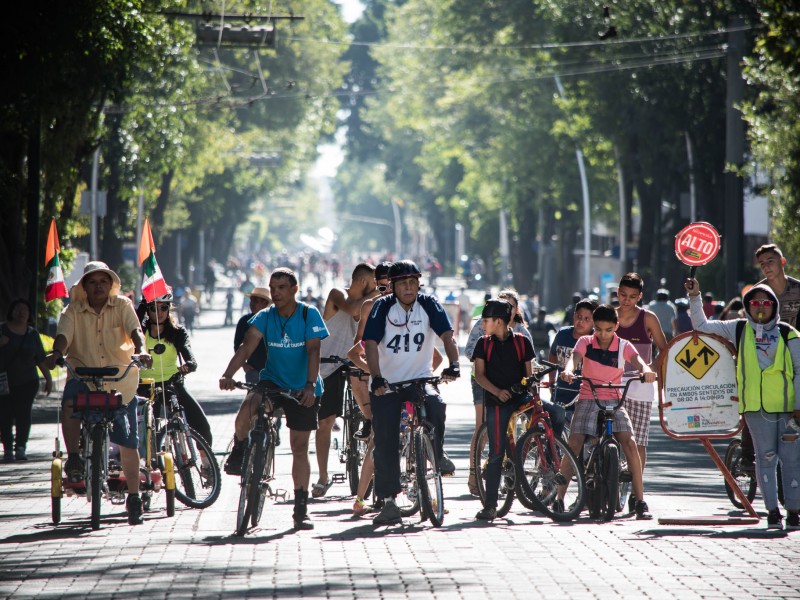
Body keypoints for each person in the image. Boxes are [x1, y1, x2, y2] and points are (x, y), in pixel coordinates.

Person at [685, 276, 800, 530]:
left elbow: (799, 369)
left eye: (766, 302)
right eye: (755, 302)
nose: (761, 307)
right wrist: (695, 296)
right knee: (766, 459)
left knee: (792, 460)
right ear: (748, 306)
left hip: (789, 411)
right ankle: (773, 512)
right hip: (756, 410)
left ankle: (794, 511)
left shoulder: (788, 333)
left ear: (774, 305)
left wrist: (799, 405)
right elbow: (702, 324)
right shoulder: (739, 328)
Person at [42, 261, 152, 525]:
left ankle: (134, 496)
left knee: (127, 439)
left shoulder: (123, 306)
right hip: (83, 376)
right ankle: (75, 458)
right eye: (92, 281)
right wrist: (57, 353)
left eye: (103, 281)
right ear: (84, 286)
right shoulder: (73, 310)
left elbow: (135, 332)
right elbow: (63, 336)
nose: (99, 286)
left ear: (111, 284)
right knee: (69, 403)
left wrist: (141, 350)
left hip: (119, 381)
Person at [219, 267, 328, 530]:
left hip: (304, 387)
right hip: (273, 381)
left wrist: (310, 386)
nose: (275, 293)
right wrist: (228, 374)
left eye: (281, 287)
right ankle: (241, 448)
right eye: (272, 288)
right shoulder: (265, 317)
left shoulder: (308, 314)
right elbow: (247, 346)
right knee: (247, 410)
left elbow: (314, 351)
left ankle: (301, 509)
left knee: (299, 448)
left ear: (294, 290)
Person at [363, 260, 461, 526]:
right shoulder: (381, 307)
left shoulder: (429, 304)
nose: (408, 287)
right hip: (388, 383)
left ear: (419, 283)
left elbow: (447, 337)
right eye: (402, 283)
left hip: (420, 379)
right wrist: (376, 377)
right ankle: (389, 502)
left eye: (413, 282)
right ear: (392, 286)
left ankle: (437, 453)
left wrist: (454, 364)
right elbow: (370, 343)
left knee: (437, 404)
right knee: (385, 441)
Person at [557, 304, 655, 520]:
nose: (603, 334)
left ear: (616, 327)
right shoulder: (585, 342)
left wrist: (646, 370)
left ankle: (640, 502)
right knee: (574, 442)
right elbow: (574, 359)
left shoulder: (624, 346)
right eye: (599, 329)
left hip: (614, 400)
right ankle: (559, 498)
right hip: (588, 397)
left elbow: (639, 362)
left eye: (608, 330)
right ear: (594, 327)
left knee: (630, 443)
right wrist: (568, 370)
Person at [312, 263, 378, 499]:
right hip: (328, 364)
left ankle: (368, 426)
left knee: (373, 401)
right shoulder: (337, 294)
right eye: (373, 284)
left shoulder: (370, 304)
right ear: (362, 282)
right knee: (326, 421)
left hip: (353, 362)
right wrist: (376, 292)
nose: (377, 289)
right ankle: (322, 476)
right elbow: (352, 309)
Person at [471, 299, 540, 521]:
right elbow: (479, 375)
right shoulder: (483, 344)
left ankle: (543, 457)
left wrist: (530, 389)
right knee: (496, 454)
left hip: (521, 398)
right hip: (496, 402)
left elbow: (529, 375)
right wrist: (498, 392)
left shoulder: (522, 342)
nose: (483, 325)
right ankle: (490, 505)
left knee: (554, 415)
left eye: (486, 321)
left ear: (499, 322)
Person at [738, 243, 800, 470]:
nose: (766, 267)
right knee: (755, 402)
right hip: (764, 355)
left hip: (793, 353)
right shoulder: (759, 293)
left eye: (770, 261)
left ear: (782, 262)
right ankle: (747, 455)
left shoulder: (797, 289)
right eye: (762, 264)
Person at [615, 273, 668, 509]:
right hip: (611, 384)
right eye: (623, 295)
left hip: (640, 385)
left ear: (640, 297)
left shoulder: (648, 318)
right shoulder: (609, 316)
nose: (627, 301)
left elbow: (663, 349)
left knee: (638, 441)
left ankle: (637, 493)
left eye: (633, 297)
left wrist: (651, 370)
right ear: (617, 293)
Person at [138, 290, 211, 445]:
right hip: (145, 387)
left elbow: (187, 351)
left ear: (169, 308)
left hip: (172, 383)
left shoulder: (177, 332)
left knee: (202, 425)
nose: (159, 313)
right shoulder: (139, 331)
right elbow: (135, 320)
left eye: (163, 308)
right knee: (147, 430)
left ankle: (206, 465)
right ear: (147, 309)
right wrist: (144, 302)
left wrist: (190, 364)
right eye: (153, 308)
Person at [0, 299, 53, 461]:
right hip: (4, 382)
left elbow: (40, 360)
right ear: (12, 311)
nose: (22, 312)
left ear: (29, 314)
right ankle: (7, 448)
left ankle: (21, 447)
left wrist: (48, 379)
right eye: (18, 309)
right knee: (4, 415)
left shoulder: (32, 334)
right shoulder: (2, 330)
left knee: (24, 414)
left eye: (25, 310)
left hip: (27, 381)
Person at [548, 298, 598, 422]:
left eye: (587, 319)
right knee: (557, 433)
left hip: (585, 397)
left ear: (594, 322)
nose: (581, 322)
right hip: (561, 393)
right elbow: (553, 355)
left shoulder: (596, 340)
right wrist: (551, 381)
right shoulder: (562, 334)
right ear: (574, 315)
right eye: (579, 317)